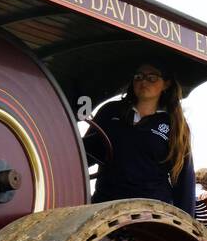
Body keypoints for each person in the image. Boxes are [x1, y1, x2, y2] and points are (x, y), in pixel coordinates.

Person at [82, 62, 194, 213]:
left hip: (152, 212)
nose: (143, 81)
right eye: (138, 76)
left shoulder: (175, 124)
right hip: (105, 206)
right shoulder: (110, 112)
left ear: (166, 84)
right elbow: (84, 155)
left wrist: (186, 222)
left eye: (152, 77)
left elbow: (184, 177)